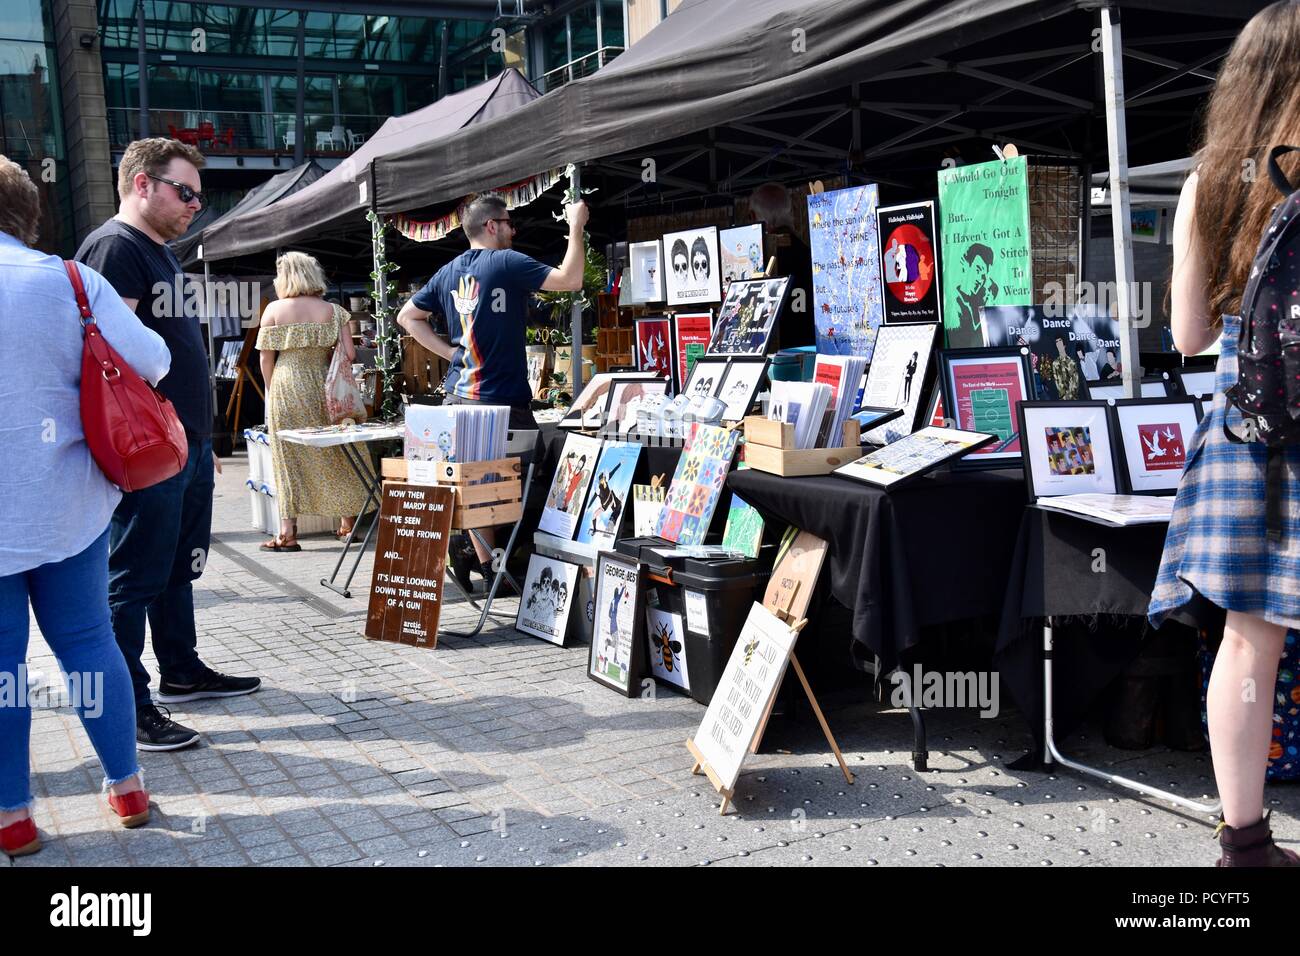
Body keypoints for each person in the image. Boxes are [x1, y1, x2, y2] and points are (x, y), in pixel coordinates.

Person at [1148, 0, 1300, 866]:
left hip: (1252, 427)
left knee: (1251, 637)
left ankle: (1244, 845)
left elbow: (1186, 335)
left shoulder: (1209, 179)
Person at [0, 157, 171, 856]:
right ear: (29, 213)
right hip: (67, 505)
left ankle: (13, 815)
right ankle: (127, 787)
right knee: (87, 642)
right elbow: (153, 361)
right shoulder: (71, 280)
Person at [75, 138, 260, 752]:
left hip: (187, 442)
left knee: (175, 564)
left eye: (199, 197)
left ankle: (181, 668)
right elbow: (105, 356)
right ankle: (127, 702)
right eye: (185, 192)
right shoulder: (114, 248)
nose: (195, 206)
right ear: (142, 184)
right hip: (148, 446)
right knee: (134, 572)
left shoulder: (161, 253)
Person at [397, 194, 589, 584]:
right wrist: (576, 225)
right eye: (508, 222)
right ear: (491, 226)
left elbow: (407, 317)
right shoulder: (505, 261)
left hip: (462, 396)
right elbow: (571, 280)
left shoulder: (449, 270)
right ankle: (488, 559)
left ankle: (482, 560)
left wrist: (451, 354)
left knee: (479, 483)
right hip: (499, 398)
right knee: (529, 481)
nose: (513, 230)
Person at [256, 252, 371, 551]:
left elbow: (265, 358)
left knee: (287, 457)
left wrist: (272, 391)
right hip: (326, 386)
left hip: (286, 385)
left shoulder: (273, 312)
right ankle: (347, 524)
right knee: (338, 451)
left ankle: (287, 533)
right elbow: (349, 355)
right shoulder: (334, 311)